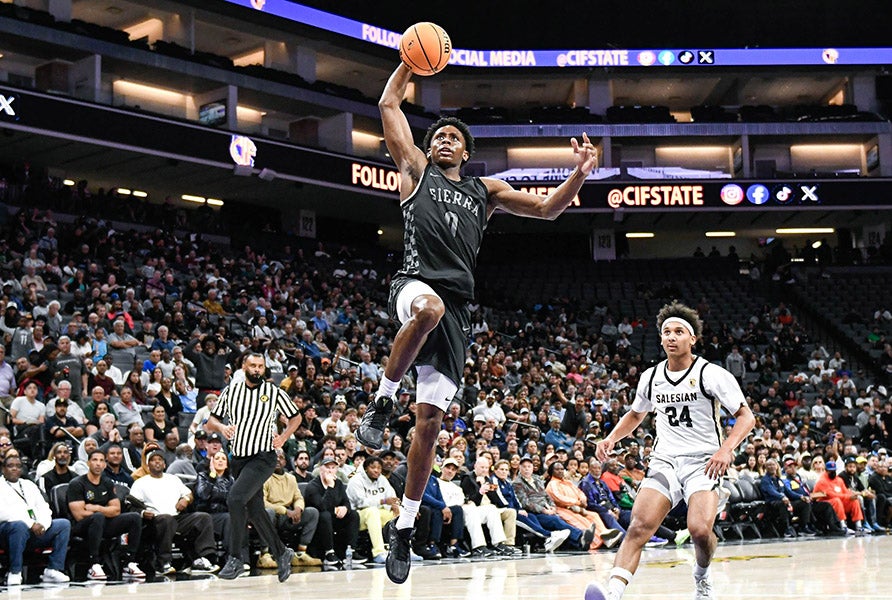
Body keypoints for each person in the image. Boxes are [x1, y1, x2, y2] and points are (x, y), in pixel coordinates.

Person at [355, 61, 596, 585]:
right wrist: (408, 62)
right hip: (415, 285)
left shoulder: (484, 192)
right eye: (437, 135)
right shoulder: (414, 171)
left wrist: (578, 173)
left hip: (460, 310)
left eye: (452, 138)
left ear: (465, 152)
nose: (442, 140)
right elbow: (387, 105)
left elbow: (549, 211)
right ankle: (380, 400)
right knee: (428, 310)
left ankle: (405, 526)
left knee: (430, 425)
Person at [586, 302, 755, 600]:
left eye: (679, 331)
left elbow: (746, 417)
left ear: (692, 338)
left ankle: (702, 576)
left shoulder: (710, 373)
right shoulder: (651, 377)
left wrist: (726, 450)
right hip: (665, 460)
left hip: (704, 462)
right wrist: (611, 438)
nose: (672, 337)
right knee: (639, 526)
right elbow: (636, 414)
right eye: (666, 332)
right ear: (661, 339)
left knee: (700, 531)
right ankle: (612, 593)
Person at [206, 352, 303, 581]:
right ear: (244, 367)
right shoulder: (231, 391)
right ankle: (281, 552)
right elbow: (211, 421)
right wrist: (222, 429)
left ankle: (236, 558)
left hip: (263, 457)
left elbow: (295, 417)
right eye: (253, 365)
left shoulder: (273, 392)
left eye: (261, 366)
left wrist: (285, 436)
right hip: (239, 459)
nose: (257, 369)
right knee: (256, 511)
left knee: (235, 499)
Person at [129, 450, 220, 575]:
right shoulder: (140, 483)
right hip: (155, 520)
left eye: (160, 459)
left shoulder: (173, 479)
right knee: (166, 519)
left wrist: (186, 499)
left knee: (203, 517)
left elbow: (188, 494)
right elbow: (132, 505)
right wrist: (143, 512)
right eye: (153, 460)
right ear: (147, 465)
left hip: (177, 517)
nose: (157, 462)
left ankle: (203, 558)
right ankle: (163, 563)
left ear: (165, 464)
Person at [67, 449, 145, 580]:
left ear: (105, 464)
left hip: (103, 523)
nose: (98, 464)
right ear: (88, 463)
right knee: (98, 517)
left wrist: (97, 507)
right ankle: (94, 564)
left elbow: (116, 510)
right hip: (82, 527)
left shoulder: (107, 482)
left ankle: (129, 563)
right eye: (95, 460)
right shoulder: (77, 483)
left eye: (101, 460)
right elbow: (79, 515)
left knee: (134, 517)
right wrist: (103, 511)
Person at [0, 455, 71, 585]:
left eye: (18, 466)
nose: (14, 469)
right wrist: (31, 523)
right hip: (8, 533)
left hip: (34, 532)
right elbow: (3, 513)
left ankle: (53, 569)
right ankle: (15, 571)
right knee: (19, 526)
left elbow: (44, 507)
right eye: (10, 466)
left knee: (63, 524)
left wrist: (43, 524)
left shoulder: (28, 485)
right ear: (3, 469)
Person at [260, 448, 322, 567]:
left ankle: (300, 553)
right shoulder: (264, 477)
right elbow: (263, 502)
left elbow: (298, 497)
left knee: (313, 512)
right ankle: (264, 554)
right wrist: (285, 511)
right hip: (275, 515)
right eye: (275, 456)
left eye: (281, 457)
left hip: (290, 515)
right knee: (268, 512)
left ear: (285, 461)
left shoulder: (291, 478)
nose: (278, 459)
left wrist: (298, 509)